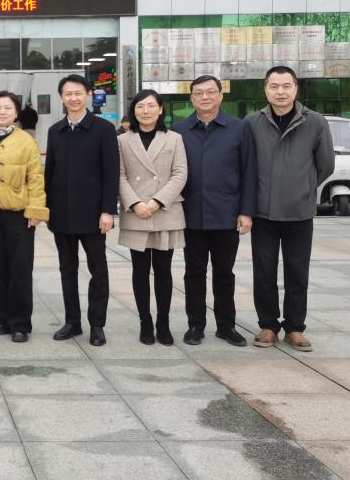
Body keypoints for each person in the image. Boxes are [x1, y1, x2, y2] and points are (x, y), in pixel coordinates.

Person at [246, 65, 334, 352]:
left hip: (299, 212)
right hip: (263, 212)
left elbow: (326, 165)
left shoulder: (315, 122)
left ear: (296, 89)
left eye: (286, 86)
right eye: (274, 86)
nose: (280, 92)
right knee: (263, 272)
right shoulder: (252, 122)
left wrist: (303, 187)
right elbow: (245, 166)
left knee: (297, 272)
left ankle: (295, 327)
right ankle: (268, 325)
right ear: (265, 90)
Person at [173, 75, 257, 347]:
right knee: (194, 272)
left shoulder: (239, 128)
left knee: (224, 272)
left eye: (211, 92)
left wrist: (246, 211)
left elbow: (249, 171)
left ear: (221, 96)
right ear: (191, 98)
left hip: (226, 214)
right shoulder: (179, 131)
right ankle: (195, 325)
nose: (205, 97)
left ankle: (226, 326)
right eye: (199, 93)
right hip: (191, 215)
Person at [44, 75, 118, 346]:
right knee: (67, 269)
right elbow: (49, 173)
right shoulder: (55, 131)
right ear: (61, 98)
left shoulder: (104, 129)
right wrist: (47, 209)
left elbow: (111, 172)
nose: (73, 98)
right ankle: (72, 322)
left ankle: (97, 324)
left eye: (78, 93)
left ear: (88, 95)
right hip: (62, 213)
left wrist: (108, 210)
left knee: (98, 269)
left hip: (93, 214)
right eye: (68, 94)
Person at [0, 91, 48, 343]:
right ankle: (4, 316)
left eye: (7, 108)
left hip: (19, 214)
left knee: (20, 268)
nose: (2, 112)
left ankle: (21, 323)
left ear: (16, 113)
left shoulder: (26, 141)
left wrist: (36, 209)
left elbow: (35, 178)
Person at [118, 89, 188, 346]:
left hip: (165, 210)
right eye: (140, 106)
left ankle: (163, 322)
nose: (145, 111)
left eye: (150, 106)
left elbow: (180, 174)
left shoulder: (174, 139)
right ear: (133, 111)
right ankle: (145, 321)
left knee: (163, 270)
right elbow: (119, 175)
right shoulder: (122, 140)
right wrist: (136, 203)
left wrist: (156, 201)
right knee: (139, 270)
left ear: (160, 110)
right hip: (136, 211)